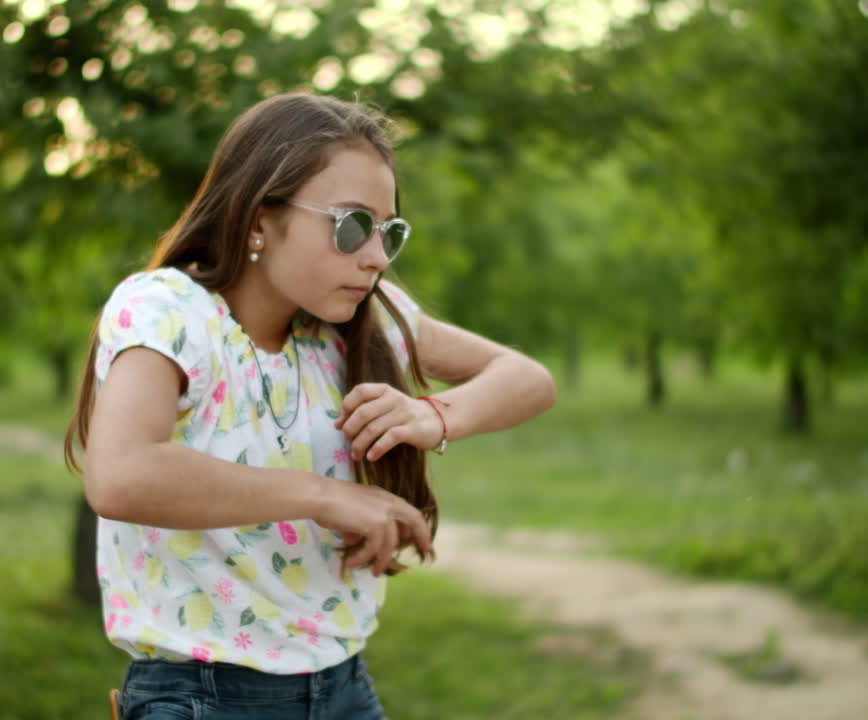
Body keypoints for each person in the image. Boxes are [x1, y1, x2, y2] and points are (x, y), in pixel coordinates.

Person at [64, 93, 556, 720]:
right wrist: (327, 497)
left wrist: (433, 416)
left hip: (344, 689)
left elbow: (527, 378)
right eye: (351, 225)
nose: (376, 256)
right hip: (203, 699)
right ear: (257, 221)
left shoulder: (361, 324)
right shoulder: (169, 310)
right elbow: (121, 475)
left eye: (389, 232)